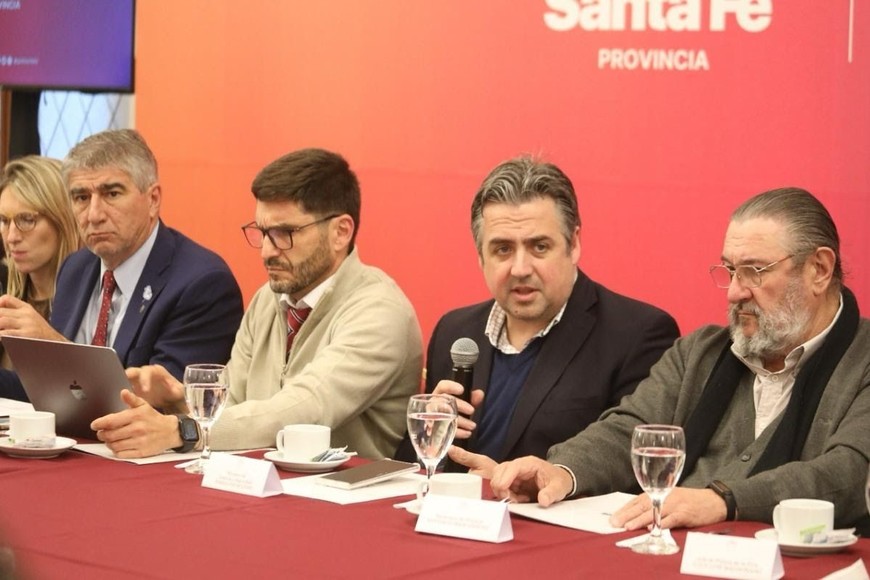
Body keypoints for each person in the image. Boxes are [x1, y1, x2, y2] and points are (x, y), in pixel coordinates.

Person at [452, 187, 870, 532]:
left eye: (754, 272)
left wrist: (723, 500)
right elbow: (629, 429)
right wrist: (561, 471)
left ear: (819, 269)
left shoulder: (862, 359)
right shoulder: (701, 351)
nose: (734, 292)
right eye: (730, 271)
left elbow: (849, 473)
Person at [90, 148, 423, 460]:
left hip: (345, 496)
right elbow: (233, 403)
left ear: (341, 232)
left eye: (284, 233)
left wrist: (182, 429)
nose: (266, 251)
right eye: (262, 232)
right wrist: (179, 403)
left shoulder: (380, 311)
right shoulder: (269, 298)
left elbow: (303, 409)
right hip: (260, 483)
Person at [395, 156, 679, 465]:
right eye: (503, 249)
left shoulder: (637, 335)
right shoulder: (455, 331)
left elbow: (629, 466)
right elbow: (411, 469)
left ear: (573, 244)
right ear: (480, 257)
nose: (520, 268)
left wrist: (512, 484)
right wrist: (431, 436)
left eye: (539, 247)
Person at [0, 129, 243, 401]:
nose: (94, 215)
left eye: (112, 194)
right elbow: (53, 393)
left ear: (153, 200)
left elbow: (163, 406)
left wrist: (53, 347)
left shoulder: (202, 284)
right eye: (81, 198)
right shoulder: (76, 268)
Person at [0, 156, 81, 369]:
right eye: (4, 221)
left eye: (27, 220)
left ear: (62, 220)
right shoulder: (5, 294)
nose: (11, 237)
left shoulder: (93, 301)